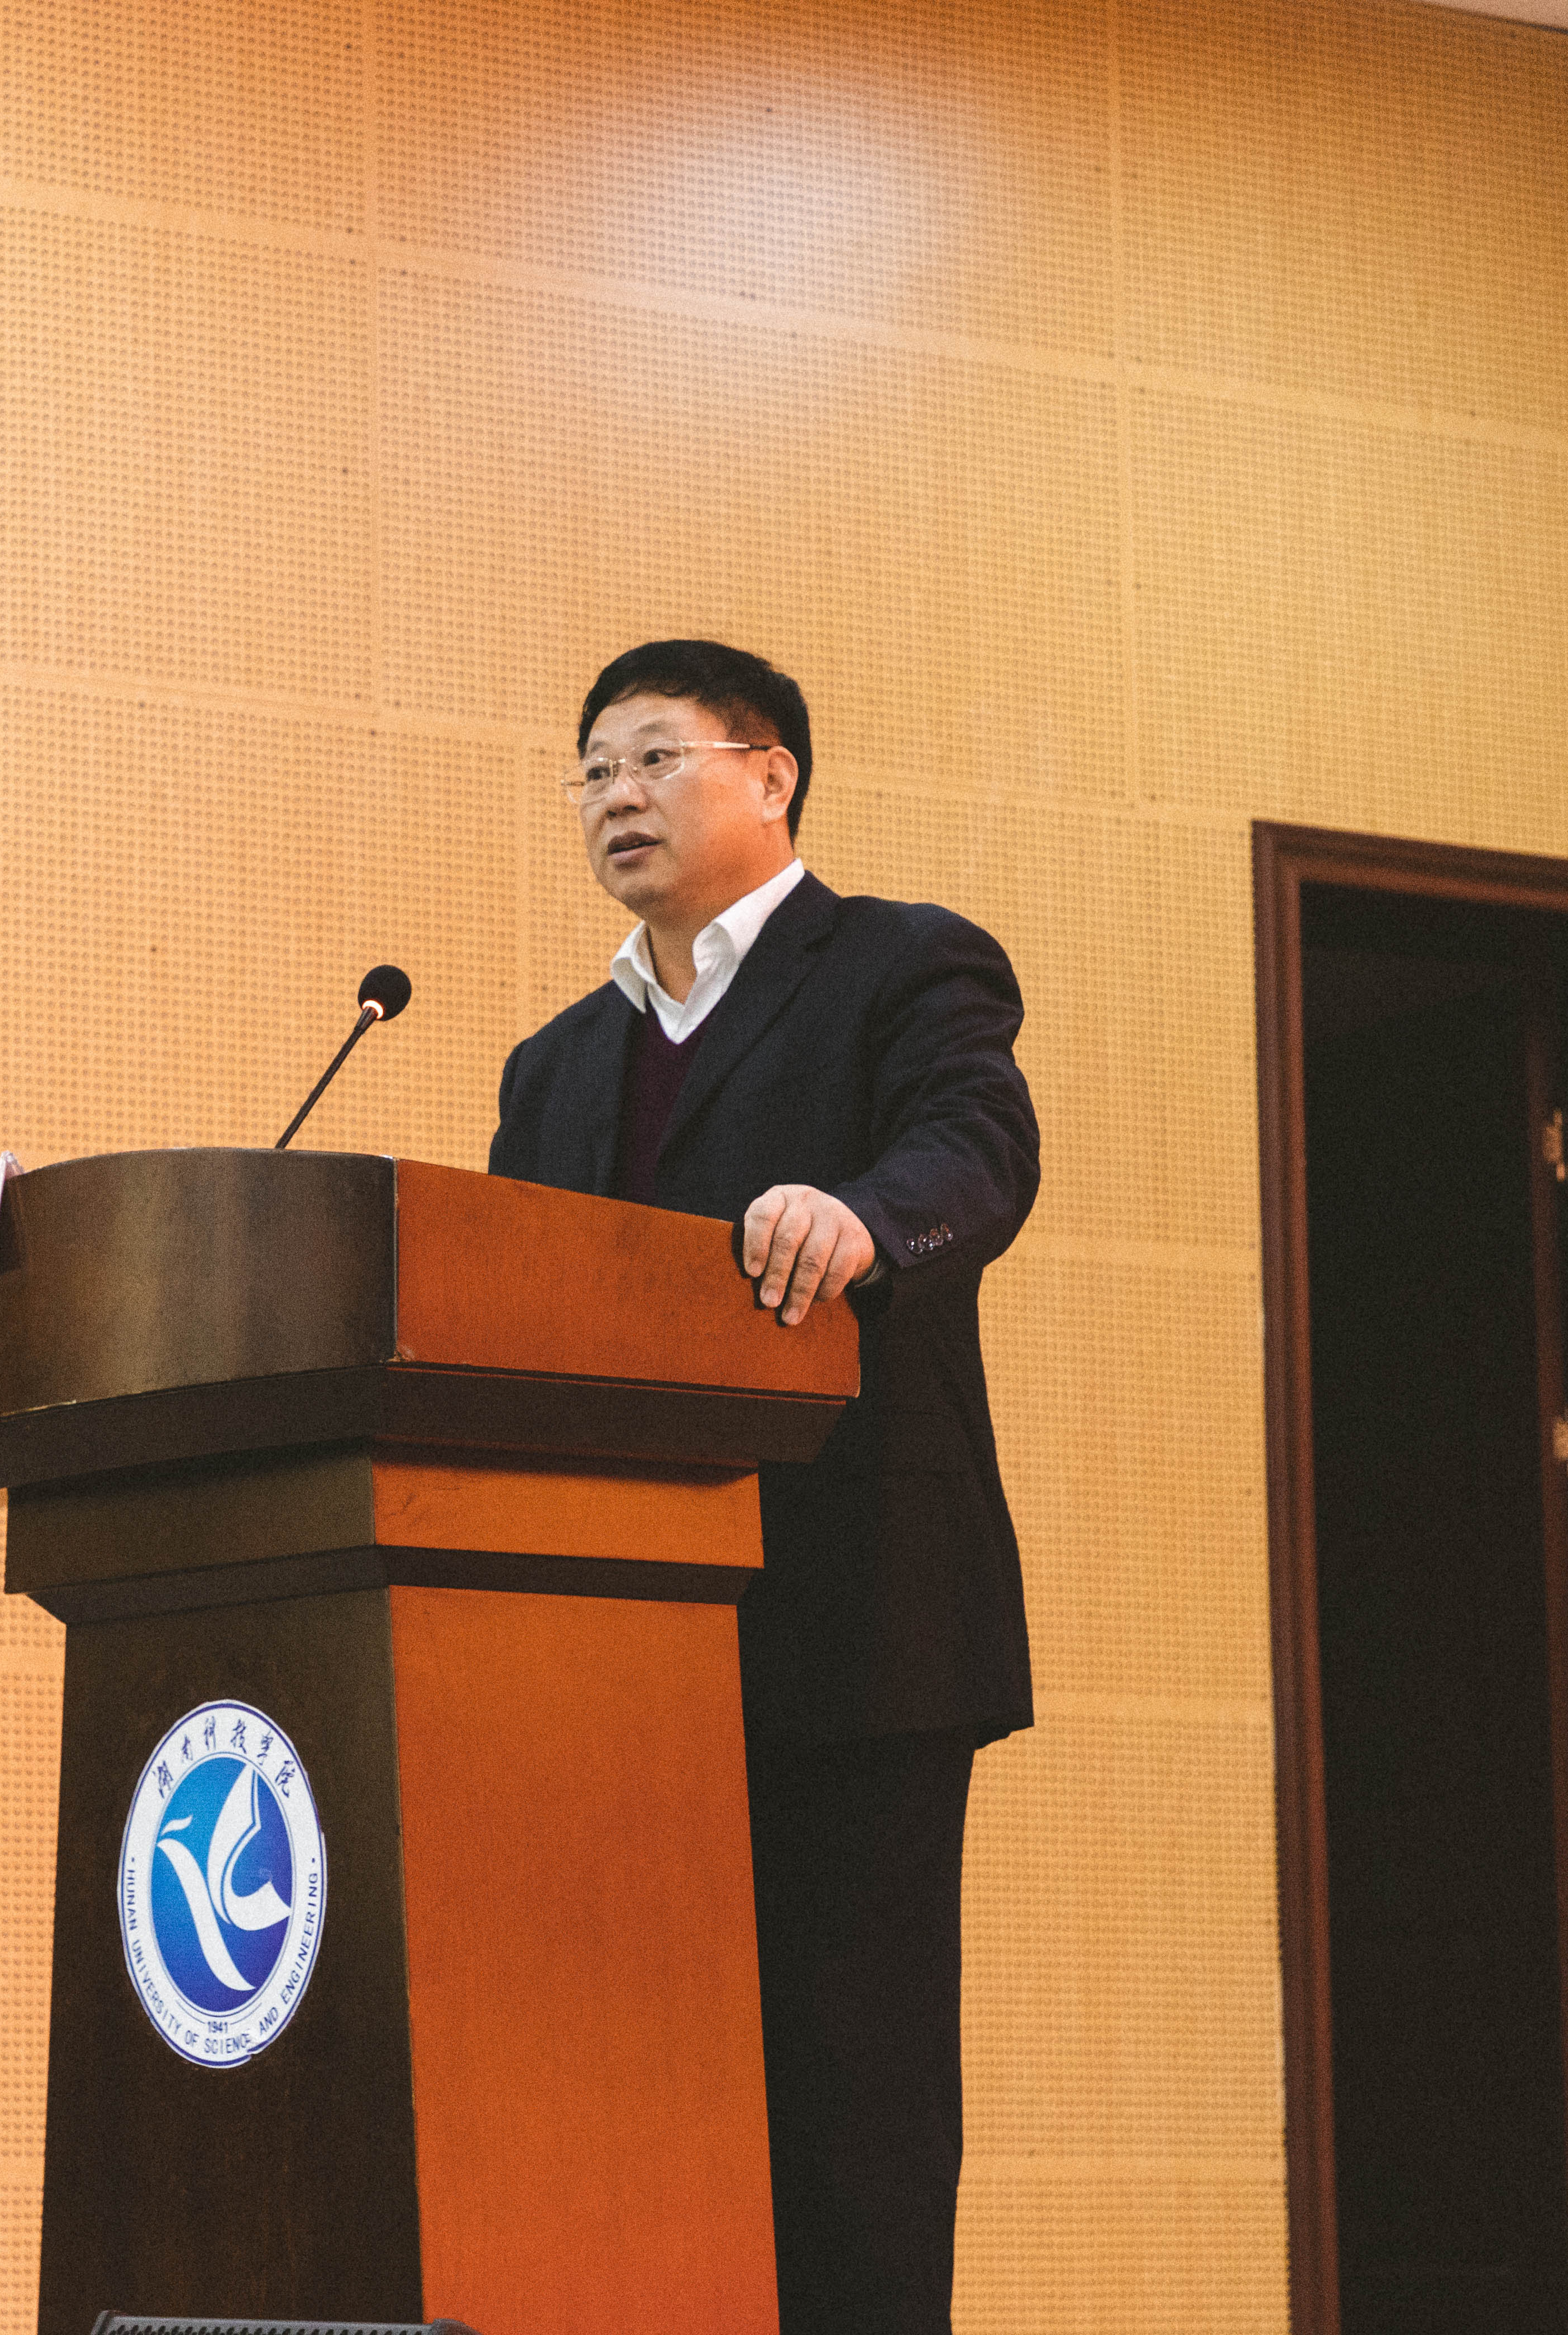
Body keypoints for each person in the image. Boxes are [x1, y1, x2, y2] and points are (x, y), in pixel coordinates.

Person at [488, 639, 1038, 2333]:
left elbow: (980, 1148)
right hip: (617, 1649)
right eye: (593, 771)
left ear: (771, 772)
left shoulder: (900, 965)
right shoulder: (555, 1065)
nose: (617, 796)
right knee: (636, 2107)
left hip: (853, 1628)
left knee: (853, 2113)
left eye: (655, 758)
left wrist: (866, 1218)